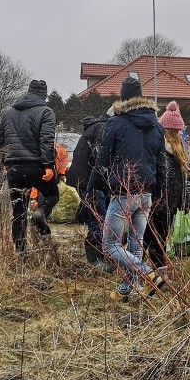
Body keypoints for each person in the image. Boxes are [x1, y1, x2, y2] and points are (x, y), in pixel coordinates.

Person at [93, 77, 166, 301]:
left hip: (124, 193)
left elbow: (103, 158)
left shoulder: (115, 123)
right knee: (136, 244)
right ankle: (127, 289)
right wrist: (159, 191)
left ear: (123, 97)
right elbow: (161, 163)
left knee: (110, 245)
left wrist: (92, 187)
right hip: (146, 193)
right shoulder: (156, 125)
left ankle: (148, 274)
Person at [0, 79, 59, 253]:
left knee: (19, 212)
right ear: (44, 94)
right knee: (52, 195)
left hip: (15, 168)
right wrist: (48, 165)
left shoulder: (8, 113)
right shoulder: (46, 112)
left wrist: (5, 161)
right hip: (37, 166)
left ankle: (22, 253)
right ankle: (40, 214)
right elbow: (46, 141)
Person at [144, 101, 190, 267]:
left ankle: (149, 266)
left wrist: (184, 201)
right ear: (171, 131)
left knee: (156, 236)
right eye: (178, 131)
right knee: (156, 236)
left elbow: (180, 180)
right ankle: (156, 269)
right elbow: (166, 179)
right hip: (162, 201)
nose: (181, 134)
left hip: (166, 202)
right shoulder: (163, 149)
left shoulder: (175, 149)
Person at [67, 113, 112, 271]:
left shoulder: (95, 127)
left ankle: (99, 255)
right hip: (90, 181)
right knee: (98, 218)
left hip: (83, 179)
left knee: (97, 215)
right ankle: (95, 259)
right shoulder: (103, 128)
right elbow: (98, 157)